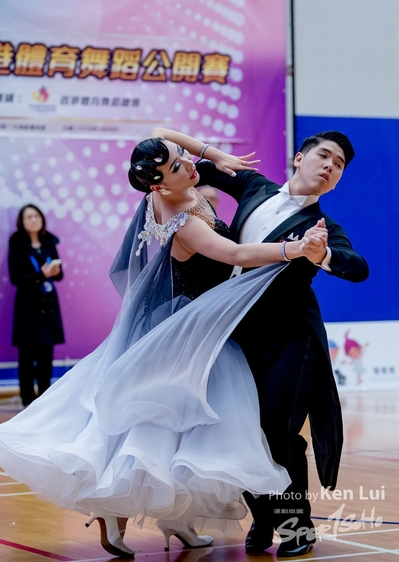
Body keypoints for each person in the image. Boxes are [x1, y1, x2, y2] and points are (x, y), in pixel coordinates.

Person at [0, 139, 324, 559]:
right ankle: (118, 510)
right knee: (171, 432)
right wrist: (295, 248)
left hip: (195, 326)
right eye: (177, 167)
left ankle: (177, 517)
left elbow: (162, 133)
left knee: (184, 433)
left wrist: (210, 153)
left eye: (182, 158)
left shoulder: (166, 193)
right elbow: (235, 252)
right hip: (191, 332)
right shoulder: (182, 220)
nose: (189, 166)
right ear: (158, 186)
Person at [151, 127, 369, 557]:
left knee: (277, 430)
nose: (330, 166)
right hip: (236, 333)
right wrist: (212, 153)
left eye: (339, 165)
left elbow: (356, 267)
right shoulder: (254, 185)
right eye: (324, 156)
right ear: (299, 158)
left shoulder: (323, 228)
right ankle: (264, 518)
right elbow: (160, 138)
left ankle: (296, 527)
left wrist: (321, 254)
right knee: (241, 430)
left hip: (292, 339)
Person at [8, 204, 65, 407]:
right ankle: (27, 401)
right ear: (22, 222)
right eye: (29, 217)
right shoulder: (17, 244)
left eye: (36, 216)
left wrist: (54, 272)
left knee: (45, 355)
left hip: (47, 305)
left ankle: (43, 401)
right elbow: (16, 277)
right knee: (26, 355)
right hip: (27, 305)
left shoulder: (49, 242)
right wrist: (41, 274)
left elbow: (60, 275)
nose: (33, 220)